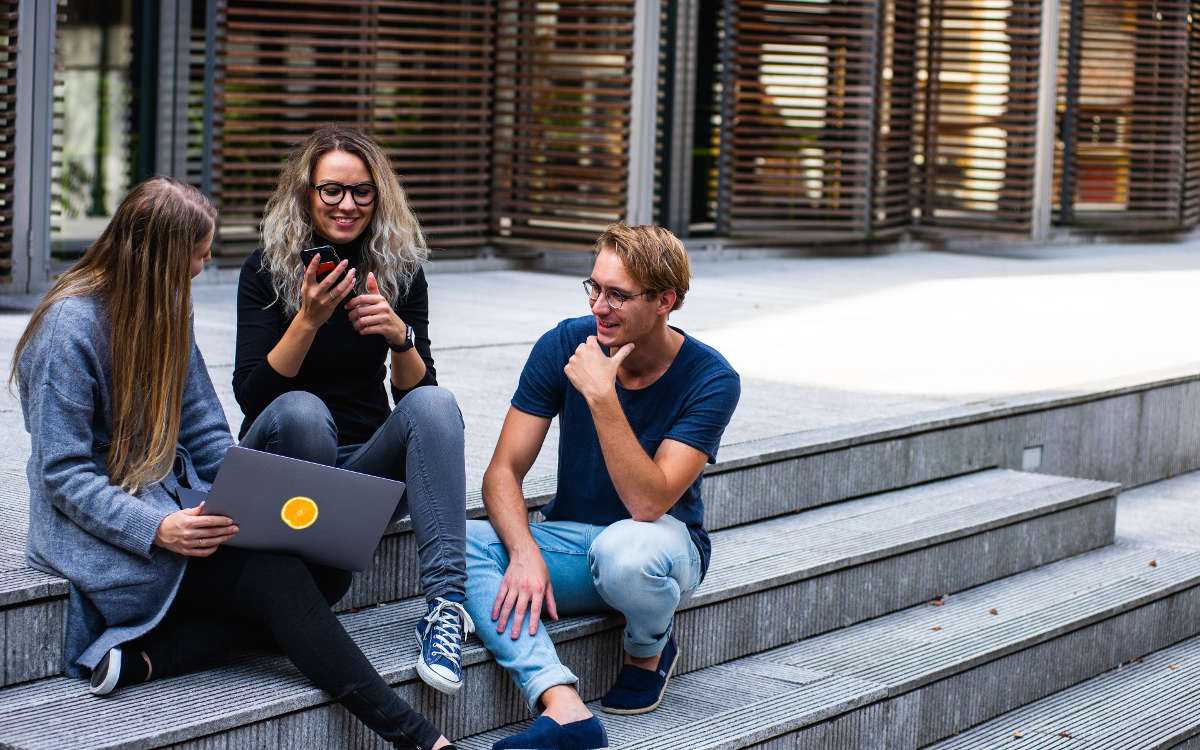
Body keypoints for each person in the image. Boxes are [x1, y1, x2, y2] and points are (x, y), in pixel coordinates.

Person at [13, 177, 457, 750]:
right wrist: (158, 528)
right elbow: (64, 474)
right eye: (196, 257)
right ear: (159, 256)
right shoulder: (67, 329)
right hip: (107, 533)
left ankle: (155, 656)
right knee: (279, 578)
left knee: (328, 570)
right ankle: (419, 737)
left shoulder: (165, 307)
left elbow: (205, 432)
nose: (200, 270)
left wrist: (249, 495)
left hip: (178, 510)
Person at [465, 224, 741, 749]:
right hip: (571, 540)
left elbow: (649, 501)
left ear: (665, 301)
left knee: (627, 552)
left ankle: (648, 647)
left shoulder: (712, 378)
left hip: (659, 545)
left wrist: (602, 396)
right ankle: (561, 704)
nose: (600, 306)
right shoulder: (564, 343)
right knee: (460, 542)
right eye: (594, 288)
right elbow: (502, 471)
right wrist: (524, 552)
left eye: (618, 294)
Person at [233, 126, 471, 694]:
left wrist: (400, 337)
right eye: (332, 190)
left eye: (362, 192)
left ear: (379, 196)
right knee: (304, 412)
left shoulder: (399, 269)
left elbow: (418, 400)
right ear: (306, 193)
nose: (347, 205)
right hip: (286, 462)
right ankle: (300, 588)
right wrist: (308, 319)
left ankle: (445, 610)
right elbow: (253, 396)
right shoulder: (265, 269)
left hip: (362, 472)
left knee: (437, 405)